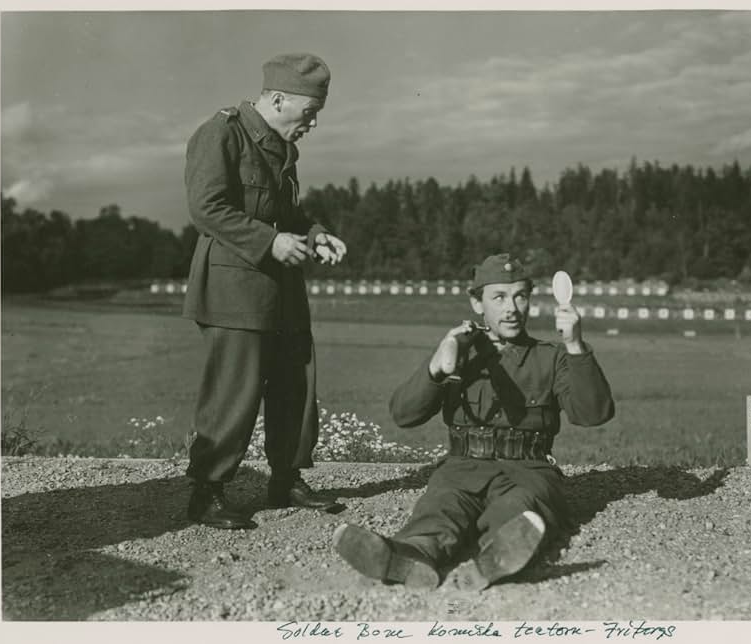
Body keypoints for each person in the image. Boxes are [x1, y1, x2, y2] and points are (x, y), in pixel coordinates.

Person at [333, 254, 614, 588]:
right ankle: (408, 556)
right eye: (498, 298)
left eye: (520, 296)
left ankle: (497, 559)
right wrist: (436, 369)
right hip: (462, 468)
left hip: (528, 470)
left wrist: (575, 344)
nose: (511, 308)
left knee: (520, 509)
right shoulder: (459, 350)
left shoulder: (551, 356)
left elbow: (593, 413)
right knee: (440, 506)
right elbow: (404, 415)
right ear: (477, 303)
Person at [182, 53, 347, 529]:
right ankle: (207, 492)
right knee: (234, 392)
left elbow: (286, 214)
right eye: (309, 113)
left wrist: (315, 235)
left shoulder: (281, 148)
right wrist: (270, 241)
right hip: (234, 288)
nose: (312, 124)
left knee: (296, 381)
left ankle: (286, 478)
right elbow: (207, 207)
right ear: (278, 99)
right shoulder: (222, 133)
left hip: (282, 290)